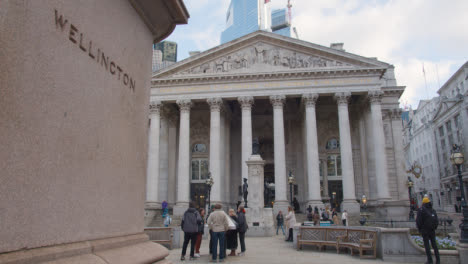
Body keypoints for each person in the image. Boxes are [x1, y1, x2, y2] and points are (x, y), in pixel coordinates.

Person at [416, 197, 440, 264]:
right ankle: (438, 260)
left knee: (427, 246)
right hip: (432, 230)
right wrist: (434, 228)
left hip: (425, 230)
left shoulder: (421, 210)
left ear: (423, 203)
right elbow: (436, 221)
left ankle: (430, 261)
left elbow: (418, 221)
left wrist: (420, 229)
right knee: (434, 245)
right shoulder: (432, 210)